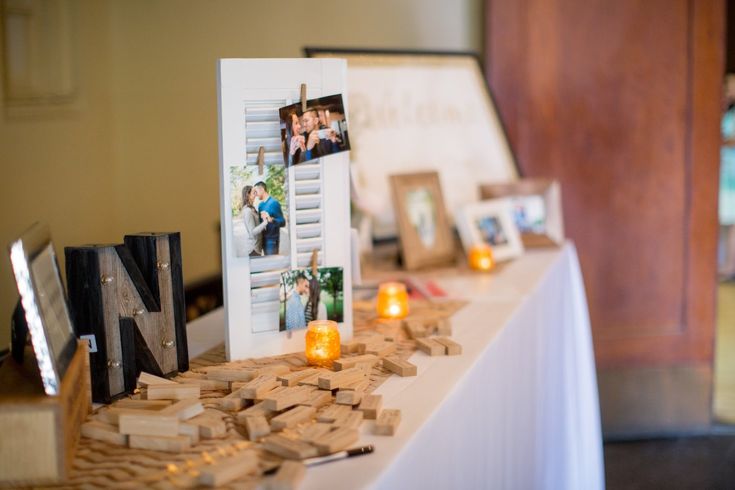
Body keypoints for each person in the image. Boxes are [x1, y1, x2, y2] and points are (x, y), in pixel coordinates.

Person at [721, 75, 735, 279]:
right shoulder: (727, 112)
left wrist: (720, 141)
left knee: (732, 223)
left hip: (732, 175)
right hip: (723, 174)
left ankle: (731, 266)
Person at [255, 181, 285, 255]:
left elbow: (283, 222)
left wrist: (272, 220)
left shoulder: (274, 203)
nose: (255, 195)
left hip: (272, 241)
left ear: (262, 189)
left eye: (256, 192)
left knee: (272, 265)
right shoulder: (260, 205)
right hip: (263, 240)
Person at [240, 185, 267, 256]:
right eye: (253, 193)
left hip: (257, 249)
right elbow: (252, 232)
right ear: (248, 195)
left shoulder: (252, 208)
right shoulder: (247, 211)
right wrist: (265, 223)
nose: (256, 195)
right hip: (253, 250)